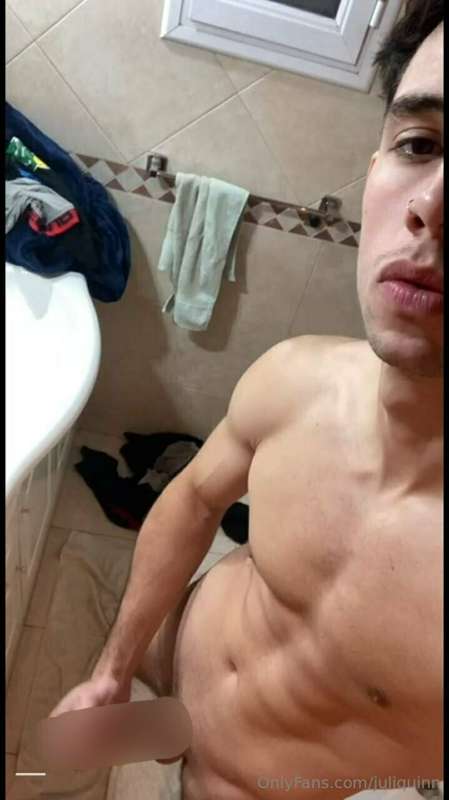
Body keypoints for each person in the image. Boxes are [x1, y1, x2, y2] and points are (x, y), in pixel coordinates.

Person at [50, 1, 443, 797]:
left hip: (242, 787)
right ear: (375, 167)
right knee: (60, 756)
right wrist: (113, 670)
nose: (431, 206)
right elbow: (196, 500)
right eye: (420, 144)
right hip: (169, 671)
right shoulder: (295, 377)